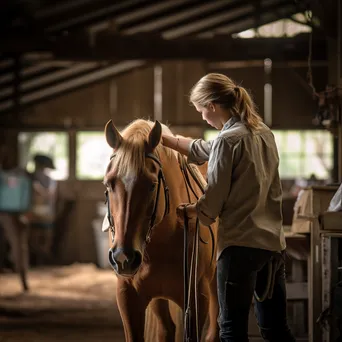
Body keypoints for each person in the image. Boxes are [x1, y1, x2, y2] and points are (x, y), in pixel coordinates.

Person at [162, 73, 295, 342]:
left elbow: (212, 202)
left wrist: (191, 212)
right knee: (275, 329)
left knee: (232, 330)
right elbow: (209, 149)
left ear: (212, 106)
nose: (202, 117)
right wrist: (172, 140)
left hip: (239, 248)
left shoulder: (227, 141)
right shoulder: (263, 133)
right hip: (272, 247)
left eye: (201, 111)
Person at [28, 154, 57, 265]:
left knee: (40, 238)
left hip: (43, 213)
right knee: (40, 238)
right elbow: (50, 194)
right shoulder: (35, 178)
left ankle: (42, 259)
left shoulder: (40, 178)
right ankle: (42, 258)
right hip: (40, 213)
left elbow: (49, 194)